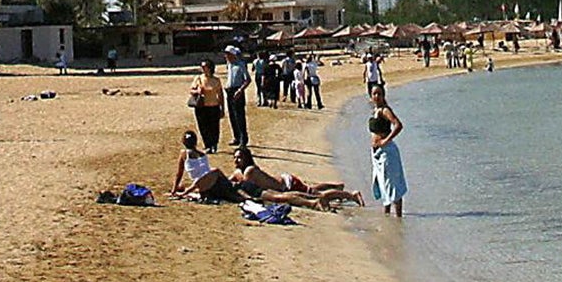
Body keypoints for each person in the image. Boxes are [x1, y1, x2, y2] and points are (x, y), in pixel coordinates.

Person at [229, 146, 364, 208]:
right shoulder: (238, 172)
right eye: (235, 158)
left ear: (246, 158)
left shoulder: (249, 170)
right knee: (311, 189)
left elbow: (245, 186)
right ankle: (336, 186)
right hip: (284, 182)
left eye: (239, 158)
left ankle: (351, 195)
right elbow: (229, 181)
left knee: (316, 195)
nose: (236, 161)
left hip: (287, 185)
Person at [368, 84, 407, 218]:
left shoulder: (385, 110)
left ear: (383, 95)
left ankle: (398, 218)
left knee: (393, 184)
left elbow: (398, 125)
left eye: (379, 94)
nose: (376, 96)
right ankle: (386, 214)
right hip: (377, 153)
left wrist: (386, 140)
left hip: (387, 152)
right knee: (382, 182)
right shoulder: (375, 110)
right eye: (374, 94)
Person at [172, 129, 241, 203]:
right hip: (205, 183)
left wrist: (174, 189)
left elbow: (179, 174)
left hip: (203, 184)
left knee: (220, 180)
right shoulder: (202, 155)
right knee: (219, 176)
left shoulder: (185, 154)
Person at [188, 58, 225, 152]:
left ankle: (214, 144)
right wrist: (197, 91)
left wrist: (222, 108)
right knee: (203, 126)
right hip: (201, 106)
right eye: (202, 67)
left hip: (213, 106)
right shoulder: (198, 78)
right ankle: (207, 144)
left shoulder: (216, 80)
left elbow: (220, 95)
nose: (203, 68)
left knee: (214, 127)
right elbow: (191, 90)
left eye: (205, 67)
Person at [224, 45, 252, 148]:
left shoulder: (240, 65)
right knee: (232, 115)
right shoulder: (229, 65)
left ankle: (243, 139)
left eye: (228, 54)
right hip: (230, 91)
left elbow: (247, 80)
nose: (226, 56)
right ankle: (236, 136)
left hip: (238, 91)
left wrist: (240, 90)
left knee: (239, 116)